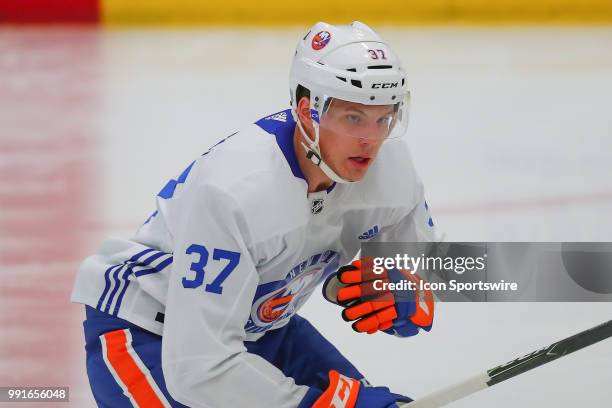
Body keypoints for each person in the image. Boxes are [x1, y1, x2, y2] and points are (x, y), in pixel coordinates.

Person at [71, 21, 440, 408]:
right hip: (148, 335)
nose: (371, 140)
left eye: (383, 118)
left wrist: (411, 288)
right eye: (353, 118)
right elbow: (198, 369)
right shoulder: (237, 190)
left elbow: (428, 264)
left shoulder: (392, 168)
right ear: (306, 110)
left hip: (261, 329)